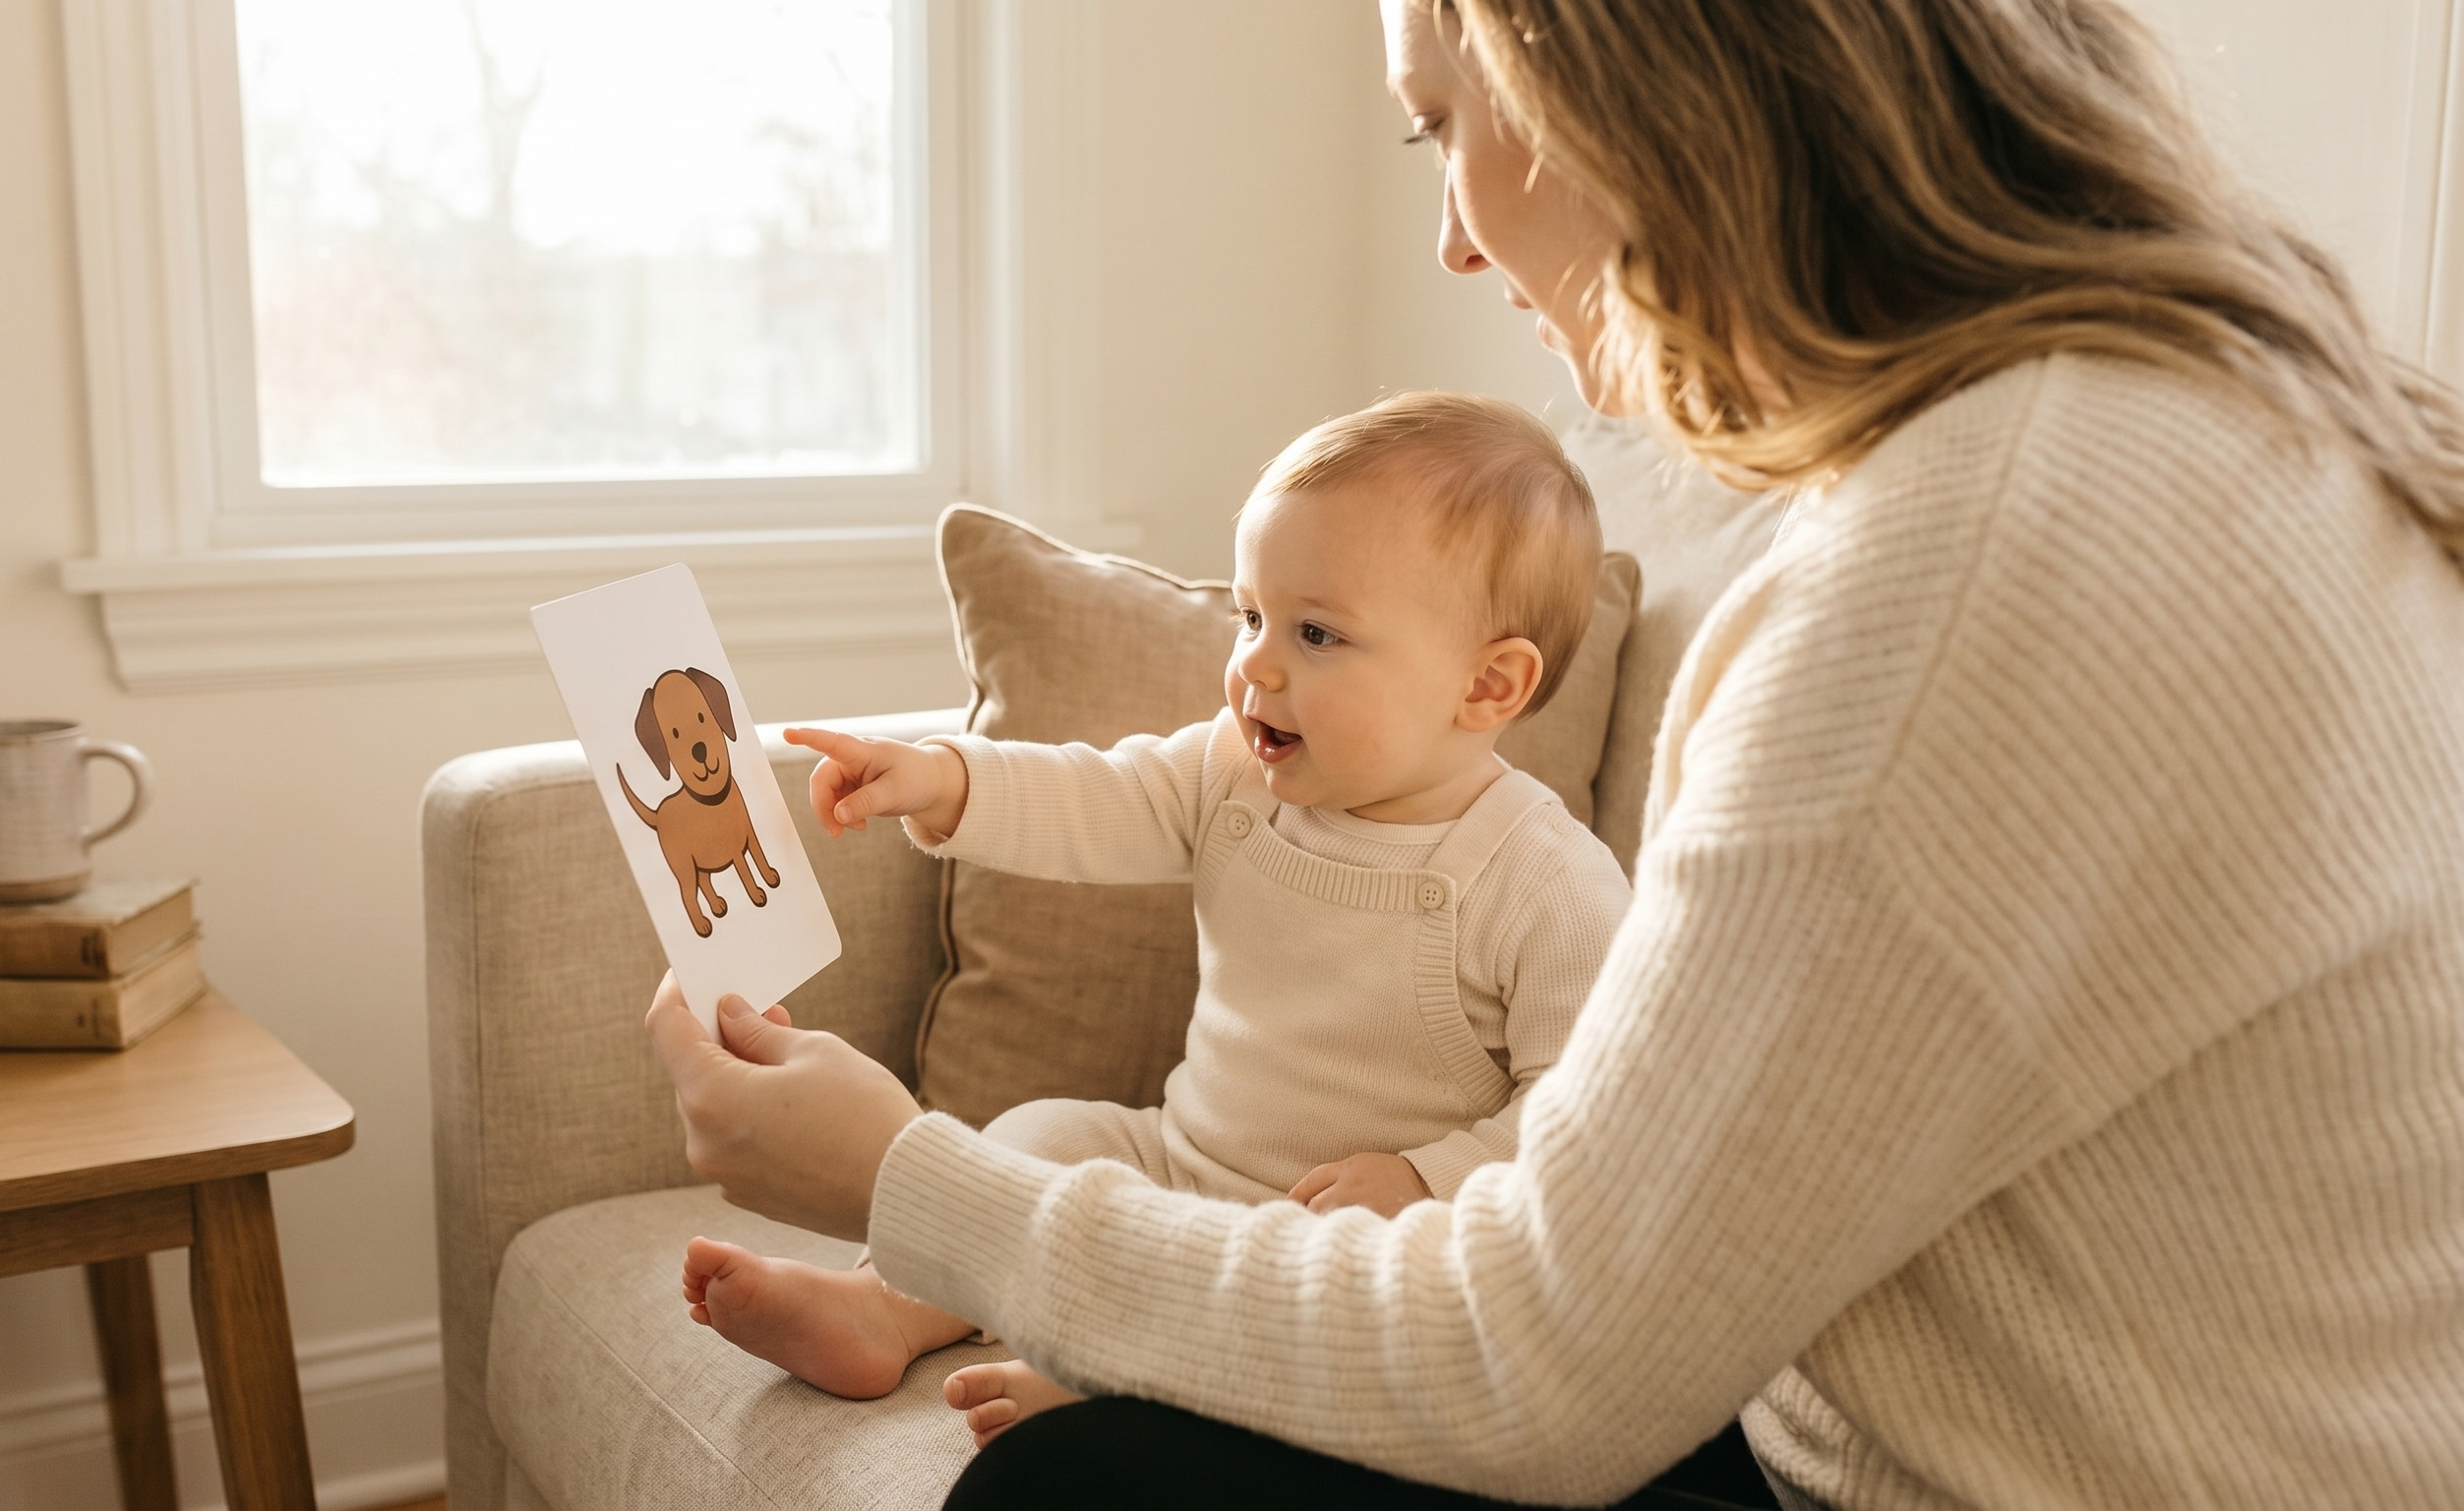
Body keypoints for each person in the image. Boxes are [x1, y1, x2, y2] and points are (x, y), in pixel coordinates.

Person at [649, 0, 2464, 1506]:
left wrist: (907, 1177)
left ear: (1625, 79)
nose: (1448, 234)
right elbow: (1124, 797)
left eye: (1443, 122)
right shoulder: (2214, 424)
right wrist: (954, 806)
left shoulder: (1974, 560)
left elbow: (1541, 1350)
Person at [679, 393, 1633, 1442]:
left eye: (1315, 633)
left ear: (1487, 685)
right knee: (1036, 1136)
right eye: (1251, 616)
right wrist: (943, 780)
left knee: (1306, 1305)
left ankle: (1127, 1381)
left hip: (1347, 1244)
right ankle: (881, 1307)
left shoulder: (1544, 882)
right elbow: (1099, 794)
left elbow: (1591, 1120)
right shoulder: (1234, 772)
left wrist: (1426, 1178)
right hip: (1173, 1163)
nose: (1257, 666)